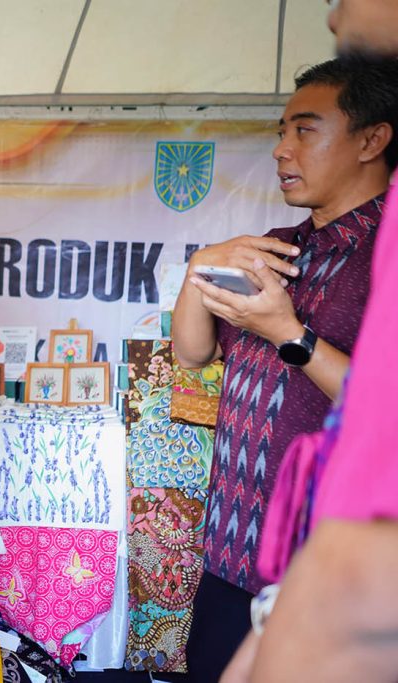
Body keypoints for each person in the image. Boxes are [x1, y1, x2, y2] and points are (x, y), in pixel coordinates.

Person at [171, 55, 397, 681]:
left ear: (372, 140)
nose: (280, 149)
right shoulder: (276, 245)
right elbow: (192, 353)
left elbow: (387, 408)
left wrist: (289, 334)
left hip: (329, 572)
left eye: (305, 130)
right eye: (281, 131)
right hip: (232, 549)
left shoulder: (386, 257)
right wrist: (199, 268)